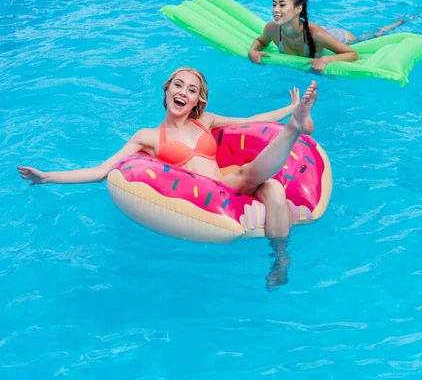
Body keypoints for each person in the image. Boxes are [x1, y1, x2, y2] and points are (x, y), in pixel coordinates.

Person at [17, 66, 318, 291]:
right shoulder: (148, 137)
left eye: (191, 89)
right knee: (248, 174)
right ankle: (293, 129)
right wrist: (47, 177)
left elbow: (250, 122)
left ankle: (280, 260)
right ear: (166, 89)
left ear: (198, 99)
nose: (183, 92)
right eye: (178, 85)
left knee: (276, 188)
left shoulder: (206, 121)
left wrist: (290, 107)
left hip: (231, 181)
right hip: (213, 194)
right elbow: (101, 170)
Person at [248, 0, 418, 73]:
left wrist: (326, 60)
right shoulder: (272, 28)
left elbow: (353, 54)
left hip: (340, 38)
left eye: (282, 5)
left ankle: (400, 21)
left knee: (372, 36)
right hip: (321, 34)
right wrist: (253, 51)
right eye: (274, 4)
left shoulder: (314, 34)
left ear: (298, 9)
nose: (275, 10)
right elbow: (260, 41)